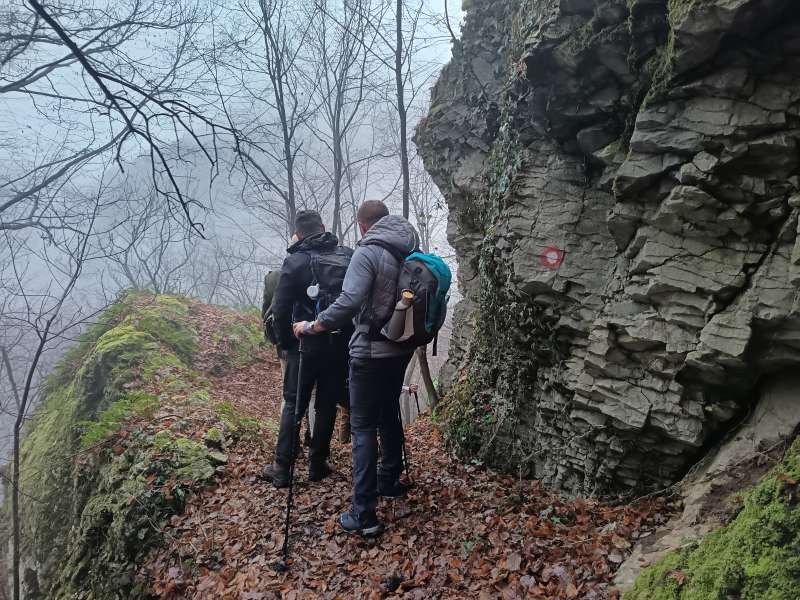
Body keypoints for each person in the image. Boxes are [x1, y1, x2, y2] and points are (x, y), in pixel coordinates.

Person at [293, 200, 419, 537]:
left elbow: (349, 301)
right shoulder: (407, 250)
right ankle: (389, 481)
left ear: (363, 225)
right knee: (389, 412)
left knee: (363, 427)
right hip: (400, 349)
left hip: (370, 351)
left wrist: (313, 326)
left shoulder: (368, 252)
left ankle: (364, 514)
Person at [262, 211, 352, 487]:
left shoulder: (295, 261)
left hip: (304, 345)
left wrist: (286, 343)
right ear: (323, 227)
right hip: (338, 344)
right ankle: (317, 463)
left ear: (298, 235)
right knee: (327, 404)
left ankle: (282, 468)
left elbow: (280, 309)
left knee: (294, 403)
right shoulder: (347, 256)